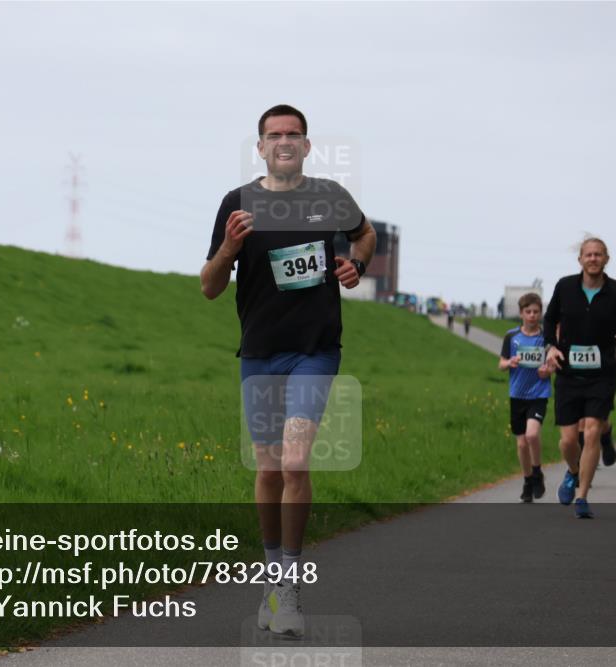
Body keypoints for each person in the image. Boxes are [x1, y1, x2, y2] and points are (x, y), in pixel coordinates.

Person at [201, 105, 376, 638]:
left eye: (293, 134)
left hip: (314, 351)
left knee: (295, 463)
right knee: (270, 469)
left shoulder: (330, 196)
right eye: (274, 134)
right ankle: (271, 577)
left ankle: (290, 587)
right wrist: (229, 247)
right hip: (259, 353)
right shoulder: (237, 203)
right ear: (260, 147)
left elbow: (365, 234)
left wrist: (357, 265)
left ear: (306, 145)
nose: (284, 141)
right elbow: (209, 286)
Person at [543, 238, 616, 518]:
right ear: (580, 259)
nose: (593, 259)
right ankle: (573, 471)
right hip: (568, 373)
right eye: (588, 254)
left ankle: (582, 497)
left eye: (598, 254)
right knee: (567, 441)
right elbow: (549, 320)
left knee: (591, 432)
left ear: (606, 259)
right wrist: (550, 346)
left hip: (602, 374)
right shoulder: (565, 287)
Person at [498, 293, 552, 502]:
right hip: (517, 394)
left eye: (536, 312)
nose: (532, 315)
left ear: (540, 313)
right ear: (521, 313)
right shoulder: (511, 336)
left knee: (532, 435)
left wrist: (548, 370)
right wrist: (509, 362)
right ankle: (528, 481)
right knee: (521, 444)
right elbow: (501, 363)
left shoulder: (546, 337)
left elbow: (553, 363)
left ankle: (537, 472)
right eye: (528, 312)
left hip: (539, 393)